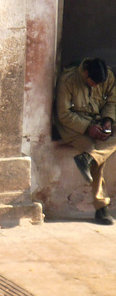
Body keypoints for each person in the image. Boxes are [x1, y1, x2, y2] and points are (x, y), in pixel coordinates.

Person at [54, 57, 116, 225]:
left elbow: (112, 101)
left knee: (96, 153)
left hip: (97, 122)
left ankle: (89, 157)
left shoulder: (107, 77)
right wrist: (88, 128)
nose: (96, 86)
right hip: (73, 128)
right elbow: (64, 115)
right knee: (95, 152)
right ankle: (101, 207)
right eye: (93, 82)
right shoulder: (68, 80)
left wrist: (108, 121)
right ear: (86, 73)